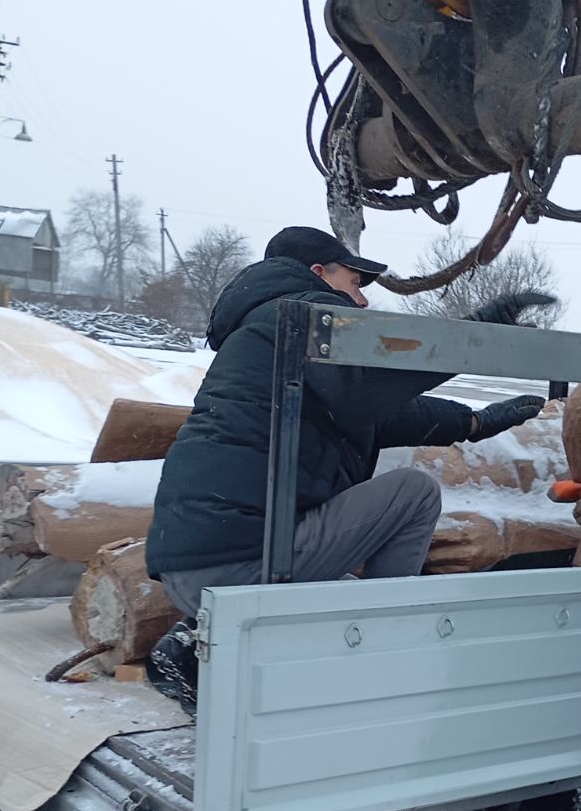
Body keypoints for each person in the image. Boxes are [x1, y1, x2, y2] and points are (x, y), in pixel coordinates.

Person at [144, 225, 549, 711]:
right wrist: (480, 328)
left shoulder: (263, 333)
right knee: (413, 493)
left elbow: (380, 412)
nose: (361, 303)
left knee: (344, 588)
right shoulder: (304, 320)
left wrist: (473, 420)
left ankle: (188, 647)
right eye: (355, 284)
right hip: (238, 566)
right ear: (320, 273)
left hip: (189, 567)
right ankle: (384, 647)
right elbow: (382, 368)